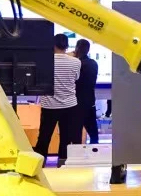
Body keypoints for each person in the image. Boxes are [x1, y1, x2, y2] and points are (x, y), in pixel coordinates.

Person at [35, 35, 82, 167]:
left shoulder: (45, 61)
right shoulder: (76, 62)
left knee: (44, 136)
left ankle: (39, 165)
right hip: (69, 105)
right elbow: (76, 78)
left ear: (53, 45)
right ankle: (62, 164)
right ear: (67, 45)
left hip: (49, 105)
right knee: (66, 137)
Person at [73, 38, 100, 144]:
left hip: (76, 103)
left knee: (76, 135)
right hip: (90, 102)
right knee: (94, 135)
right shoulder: (93, 63)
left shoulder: (76, 64)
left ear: (76, 49)